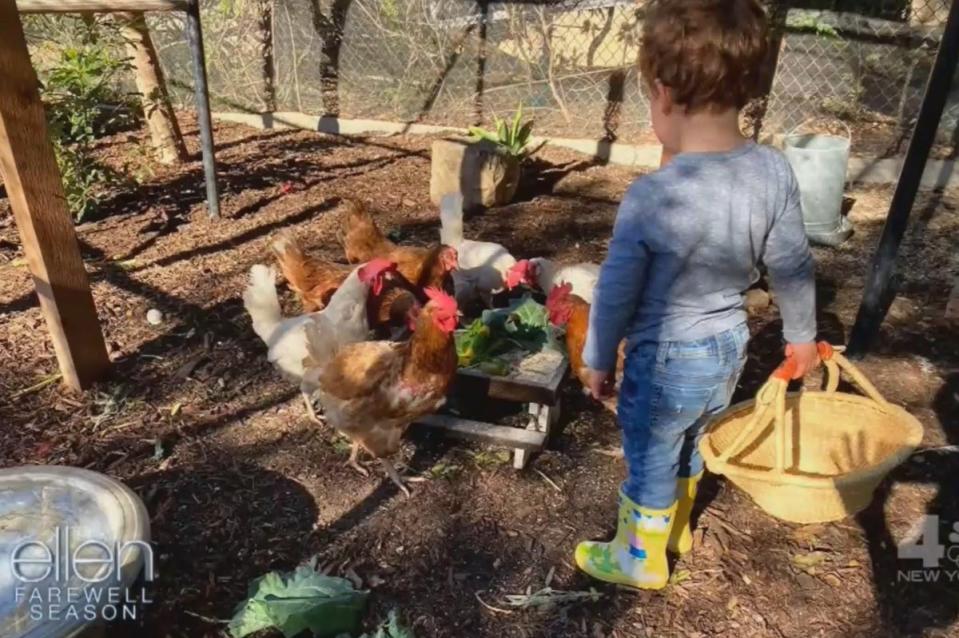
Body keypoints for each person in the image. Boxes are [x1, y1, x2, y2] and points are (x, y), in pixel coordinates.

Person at [575, 0, 819, 590]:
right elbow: (791, 262)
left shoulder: (654, 195)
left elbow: (615, 289)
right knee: (692, 441)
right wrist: (802, 337)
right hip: (728, 345)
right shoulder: (772, 171)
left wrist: (597, 358)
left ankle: (639, 557)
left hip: (667, 356)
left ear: (661, 93)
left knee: (650, 455)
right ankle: (674, 528)